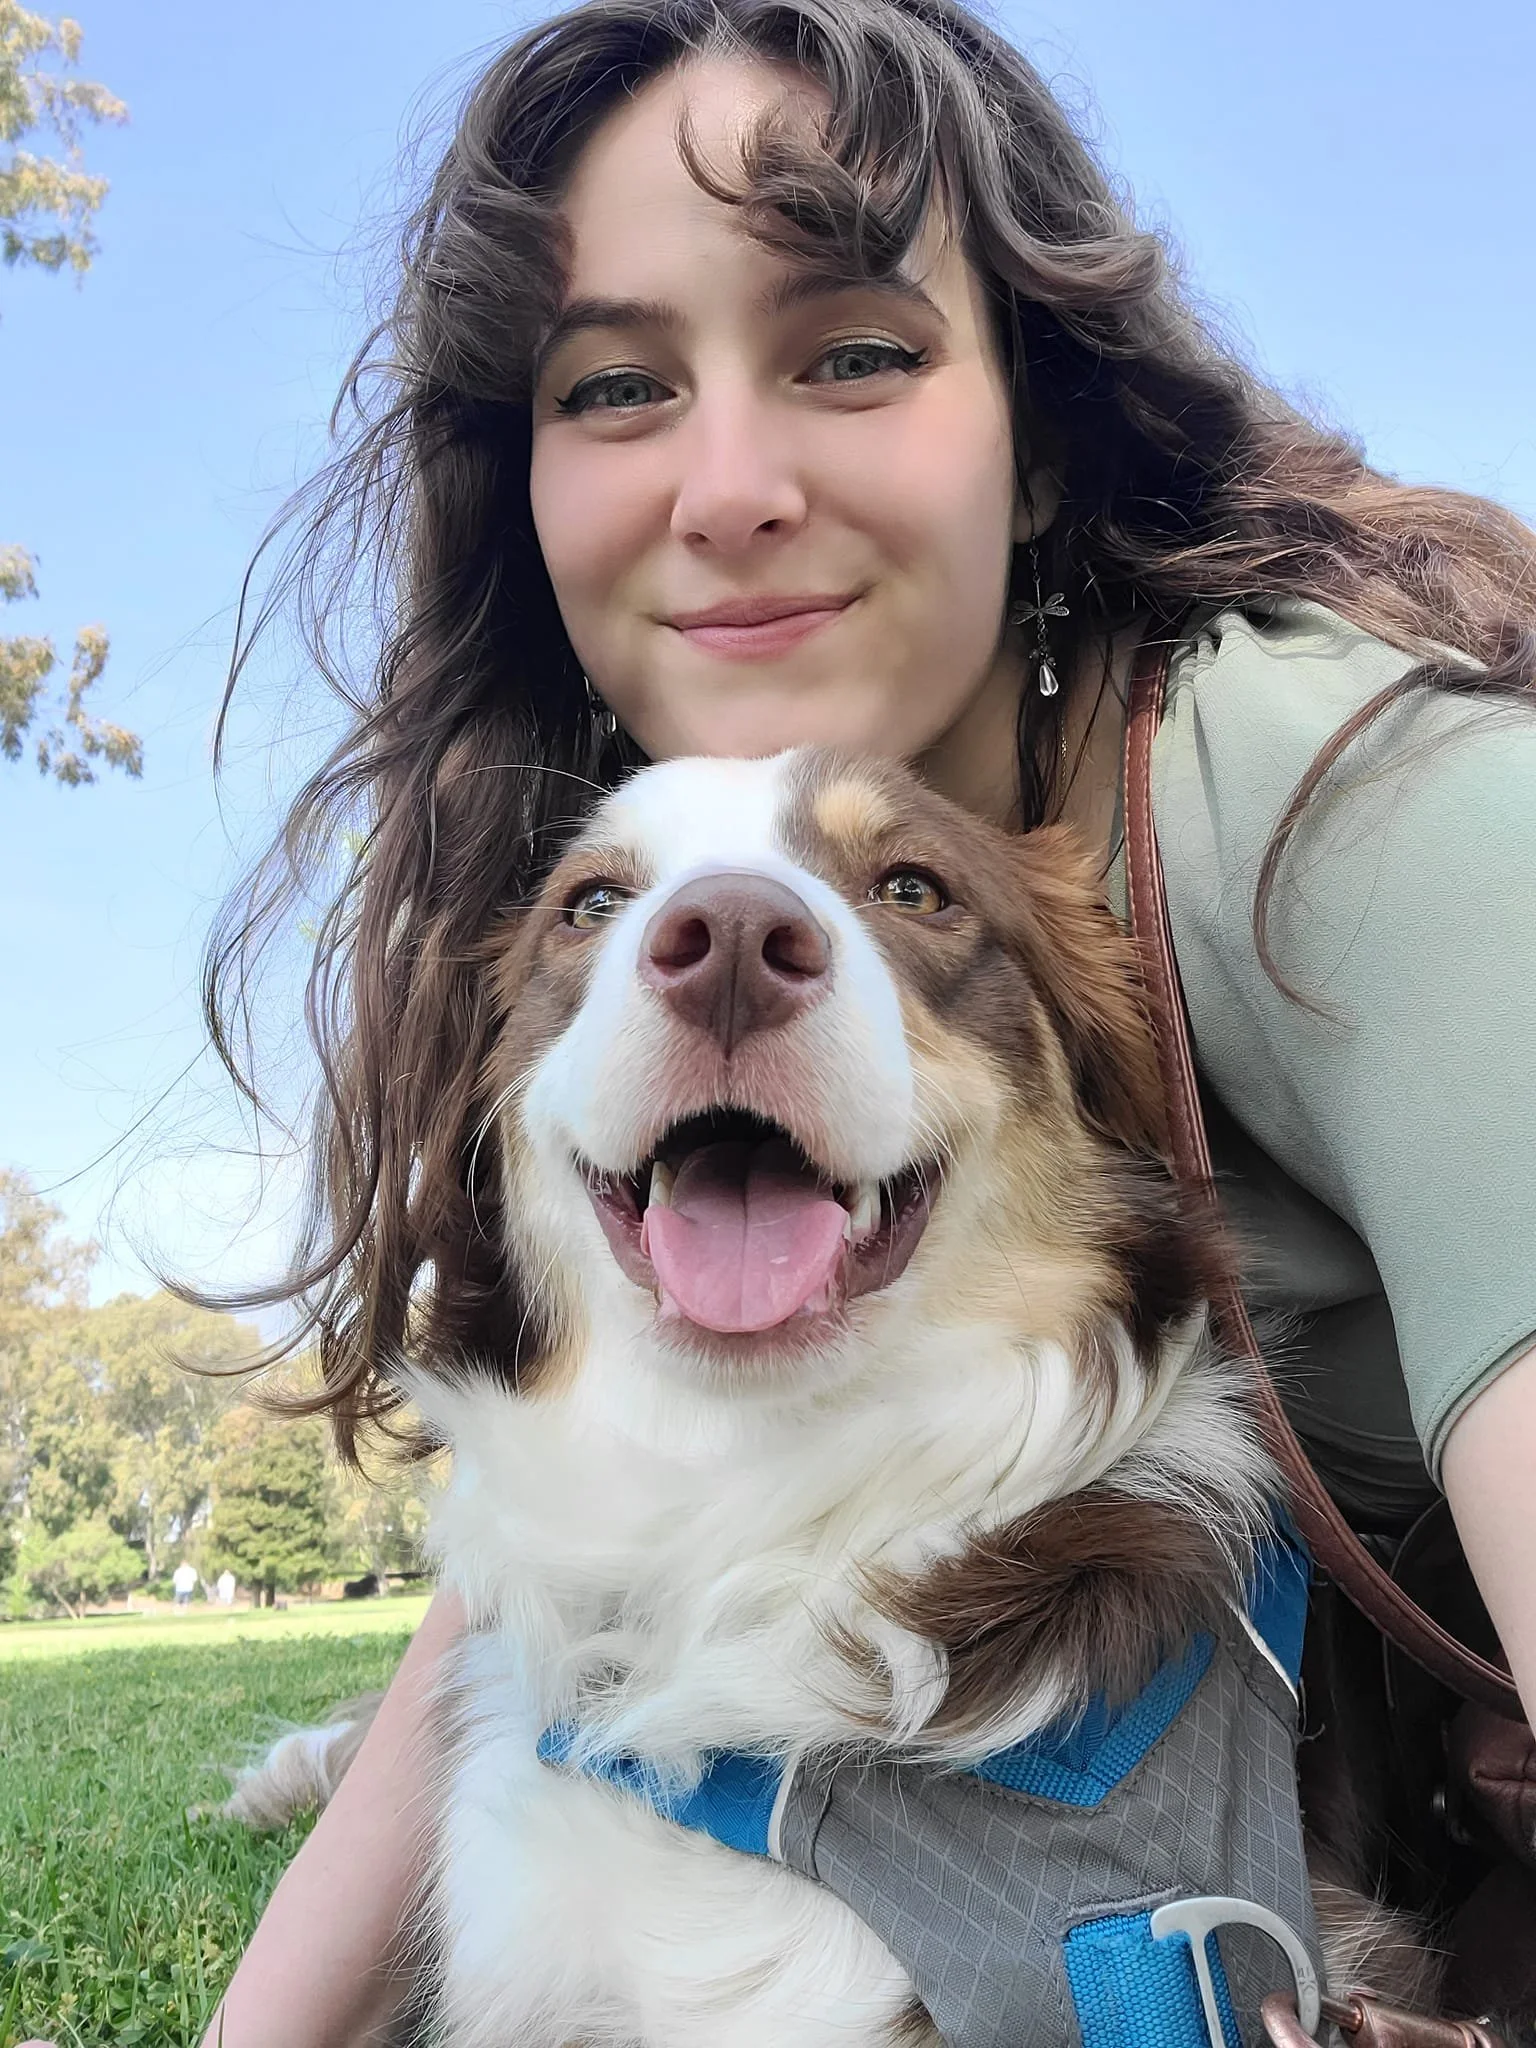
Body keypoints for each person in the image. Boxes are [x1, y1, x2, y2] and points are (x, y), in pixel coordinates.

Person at [173, 1, 1536, 2041]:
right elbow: (598, 1470)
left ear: (1044, 424)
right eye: (617, 384)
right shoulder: (673, 927)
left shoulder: (1367, 820)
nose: (726, 486)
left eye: (857, 351)